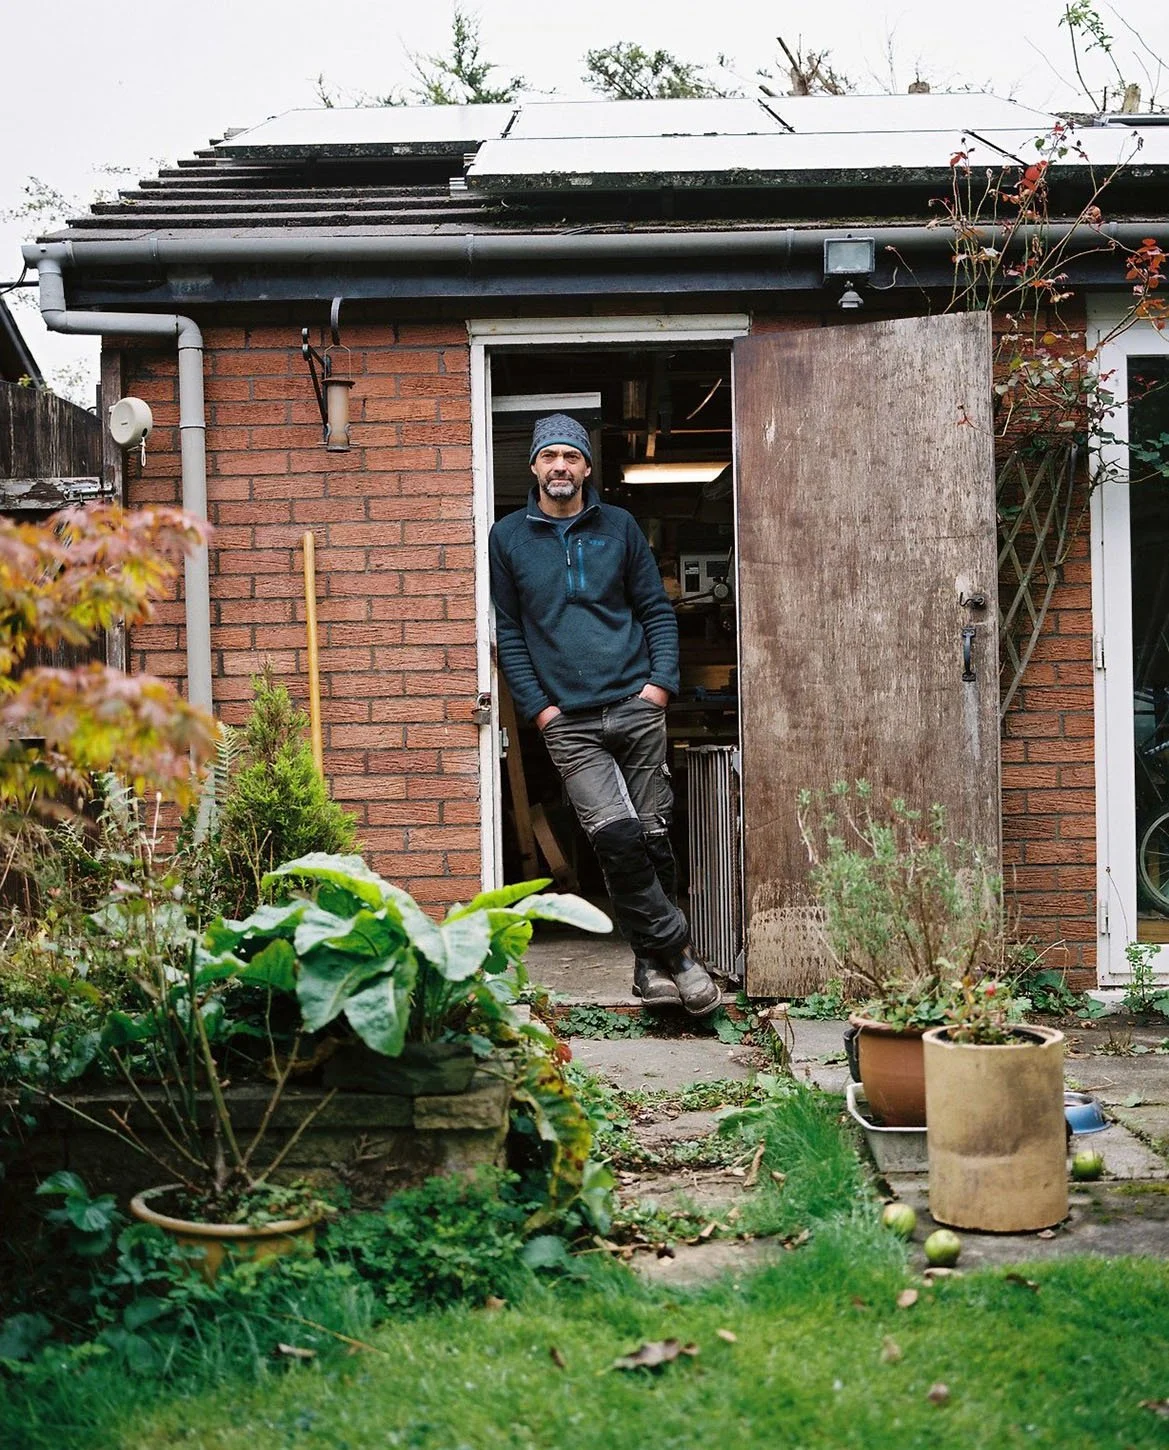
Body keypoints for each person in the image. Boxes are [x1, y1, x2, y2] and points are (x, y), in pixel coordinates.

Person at [488, 413, 720, 1016]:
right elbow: (509, 633)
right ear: (534, 467)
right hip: (569, 722)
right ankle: (682, 956)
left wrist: (659, 688)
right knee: (614, 838)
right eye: (549, 457)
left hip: (635, 705)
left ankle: (649, 966)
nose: (559, 466)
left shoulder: (619, 527)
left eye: (571, 456)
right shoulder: (507, 538)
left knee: (654, 833)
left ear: (587, 467)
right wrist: (540, 711)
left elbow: (657, 612)